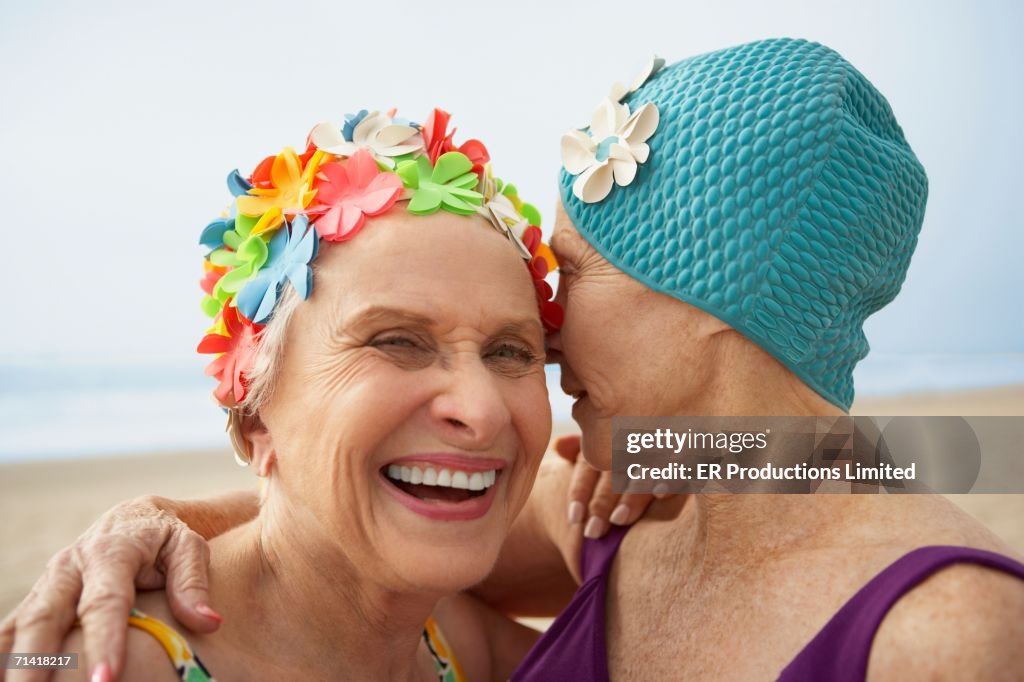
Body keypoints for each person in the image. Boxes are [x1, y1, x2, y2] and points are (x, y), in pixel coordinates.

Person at [6, 39, 1024, 681]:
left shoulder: (950, 633)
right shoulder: (628, 498)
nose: (546, 323)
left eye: (569, 273)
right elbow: (337, 535)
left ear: (706, 302)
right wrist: (150, 519)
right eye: (400, 337)